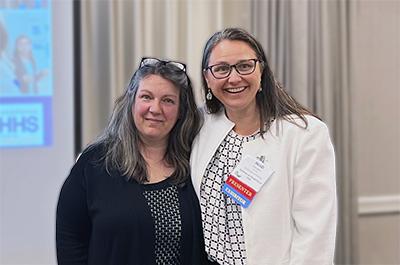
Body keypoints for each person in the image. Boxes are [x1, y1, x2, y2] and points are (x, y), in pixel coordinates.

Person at [190, 28, 337, 265]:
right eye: (221, 69)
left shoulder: (305, 134)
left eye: (245, 65)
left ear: (261, 71)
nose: (234, 78)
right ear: (207, 79)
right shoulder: (199, 126)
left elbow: (315, 234)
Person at [56, 57, 208, 265]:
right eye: (146, 97)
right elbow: (70, 239)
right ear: (132, 101)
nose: (155, 109)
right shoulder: (94, 163)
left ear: (181, 110)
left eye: (168, 100)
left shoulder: (197, 161)